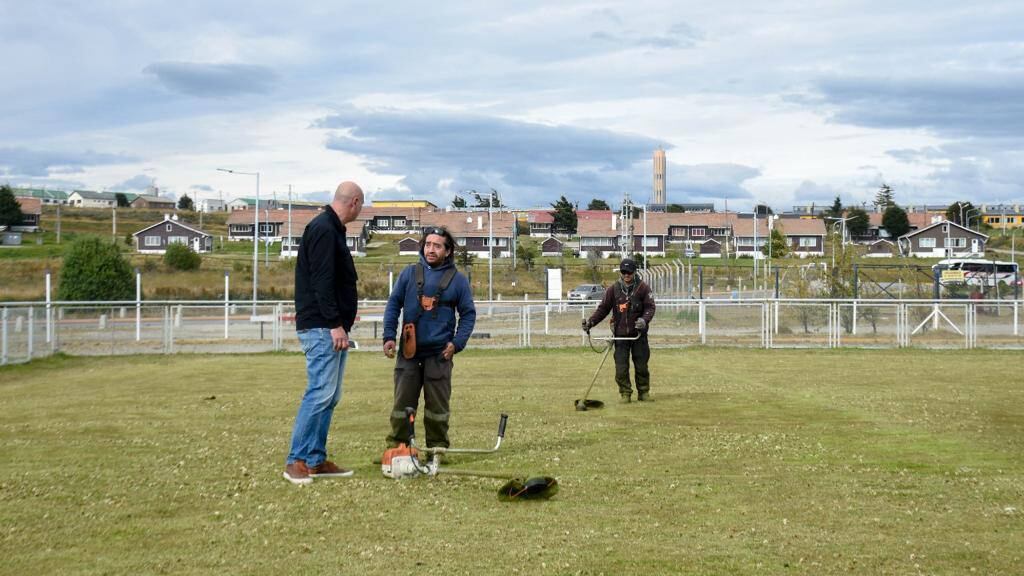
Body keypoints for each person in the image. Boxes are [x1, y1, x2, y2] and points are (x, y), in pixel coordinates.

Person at [284, 181, 364, 485]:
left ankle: (316, 459)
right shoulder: (323, 229)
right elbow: (321, 282)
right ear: (354, 202)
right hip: (322, 328)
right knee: (319, 393)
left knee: (330, 395)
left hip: (331, 327)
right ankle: (296, 460)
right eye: (362, 205)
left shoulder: (333, 229)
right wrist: (334, 324)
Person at [382, 226, 476, 453]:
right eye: (428, 244)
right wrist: (388, 336)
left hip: (440, 354)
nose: (431, 250)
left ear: (448, 250)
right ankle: (397, 448)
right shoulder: (408, 274)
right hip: (409, 353)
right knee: (402, 405)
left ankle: (437, 450)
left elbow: (468, 314)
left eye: (437, 246)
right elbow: (394, 304)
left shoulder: (458, 281)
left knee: (437, 408)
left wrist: (457, 343)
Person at [582, 257, 656, 403]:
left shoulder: (643, 288)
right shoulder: (613, 289)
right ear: (620, 272)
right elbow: (603, 309)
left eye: (629, 272)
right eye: (624, 272)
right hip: (620, 336)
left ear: (634, 272)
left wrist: (644, 320)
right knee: (621, 367)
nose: (626, 275)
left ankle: (643, 392)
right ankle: (625, 393)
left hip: (638, 335)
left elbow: (650, 307)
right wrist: (591, 322)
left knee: (641, 366)